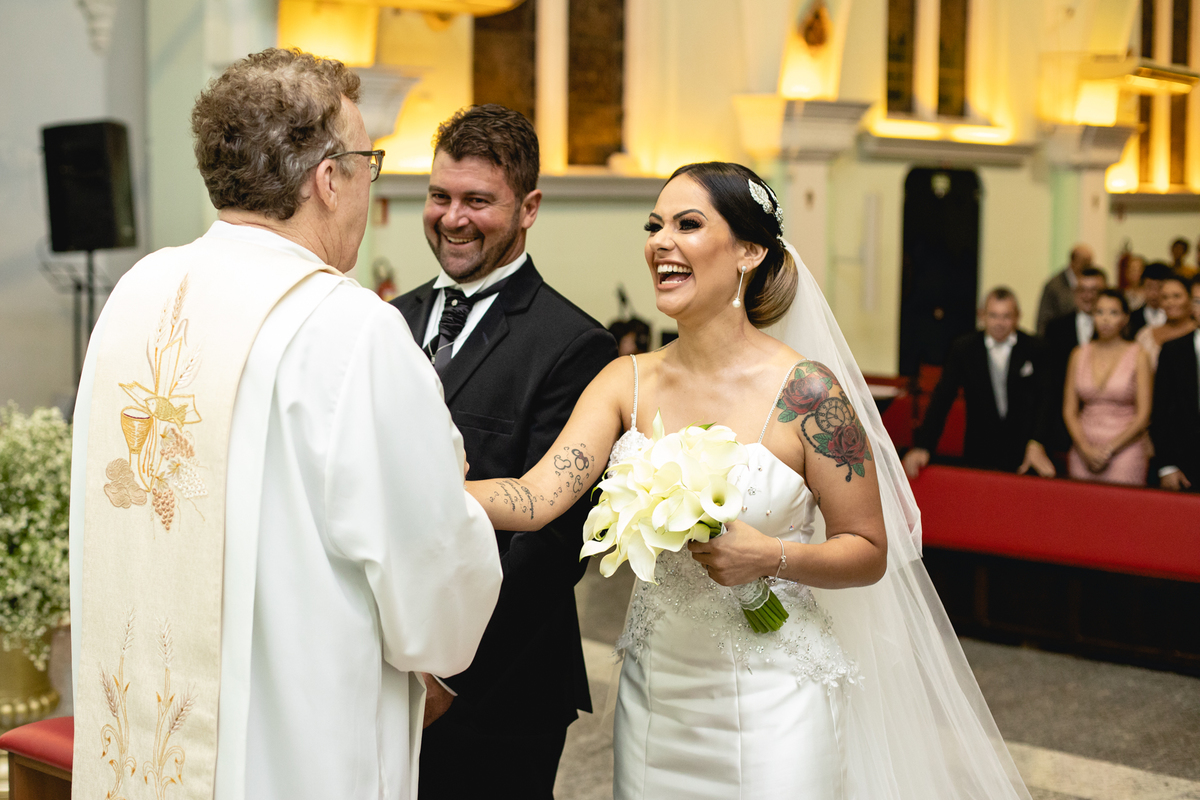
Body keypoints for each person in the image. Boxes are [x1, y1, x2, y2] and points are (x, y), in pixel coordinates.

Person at [462, 162, 1032, 799]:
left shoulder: (809, 393)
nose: (660, 242)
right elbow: (538, 497)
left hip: (776, 698)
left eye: (687, 224)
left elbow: (870, 550)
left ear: (750, 251)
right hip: (659, 698)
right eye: (654, 226)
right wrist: (434, 488)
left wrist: (768, 556)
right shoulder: (625, 379)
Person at [67, 49, 501, 800]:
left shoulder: (138, 293)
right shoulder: (349, 326)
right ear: (328, 180)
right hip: (294, 745)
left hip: (144, 731)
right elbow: (433, 599)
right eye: (368, 160)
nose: (372, 180)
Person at [390, 104, 616, 798]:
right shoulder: (387, 322)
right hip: (387, 661)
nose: (452, 218)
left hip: (500, 682)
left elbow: (553, 545)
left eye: (478, 201)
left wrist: (451, 674)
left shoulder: (573, 345)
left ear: (529, 208)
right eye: (440, 196)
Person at [903, 287, 1055, 478]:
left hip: (1025, 452)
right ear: (982, 315)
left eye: (1006, 316)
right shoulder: (964, 348)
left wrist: (1036, 442)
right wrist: (923, 446)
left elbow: (1046, 399)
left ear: (1018, 317)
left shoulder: (1036, 348)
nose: (1000, 323)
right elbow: (943, 398)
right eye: (993, 315)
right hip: (980, 451)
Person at [1063, 289, 1152, 485]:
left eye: (1113, 313)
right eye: (1099, 312)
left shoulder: (1139, 355)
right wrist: (1085, 449)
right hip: (1083, 448)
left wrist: (1110, 449)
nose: (1105, 319)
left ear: (1125, 318)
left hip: (1125, 450)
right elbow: (1069, 410)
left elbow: (1143, 414)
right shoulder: (1078, 354)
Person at [1042, 266, 1107, 457]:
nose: (1088, 296)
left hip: (1106, 425)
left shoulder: (1121, 330)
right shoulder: (1055, 328)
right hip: (1062, 427)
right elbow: (1051, 380)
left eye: (1094, 291)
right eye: (1082, 290)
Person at [1151, 279, 1200, 492]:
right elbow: (1161, 411)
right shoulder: (1173, 351)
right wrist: (1167, 465)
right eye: (1198, 301)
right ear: (1190, 306)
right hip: (1186, 462)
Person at [1135, 273, 1197, 368]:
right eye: (1165, 297)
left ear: (1190, 298)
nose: (1170, 302)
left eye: (1177, 296)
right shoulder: (1146, 335)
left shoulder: (1197, 333)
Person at [1037, 243, 1094, 336]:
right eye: (1084, 262)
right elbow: (1043, 320)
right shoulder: (1054, 286)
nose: (1088, 266)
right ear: (1073, 261)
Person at [1126, 260, 1173, 337]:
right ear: (1142, 286)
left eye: (1159, 287)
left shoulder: (1174, 316)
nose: (1154, 293)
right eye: (1149, 287)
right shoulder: (1133, 317)